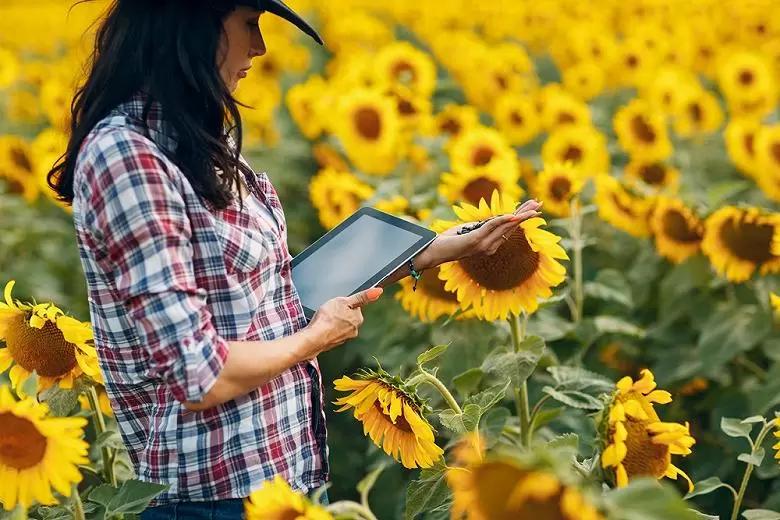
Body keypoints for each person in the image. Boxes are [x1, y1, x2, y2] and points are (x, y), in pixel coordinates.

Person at [47, 0, 543, 518]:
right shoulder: (129, 158)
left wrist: (436, 248)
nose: (260, 47)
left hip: (285, 481)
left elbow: (278, 291)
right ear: (190, 27)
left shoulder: (193, 136)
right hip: (216, 498)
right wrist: (315, 339)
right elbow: (197, 373)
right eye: (249, 24)